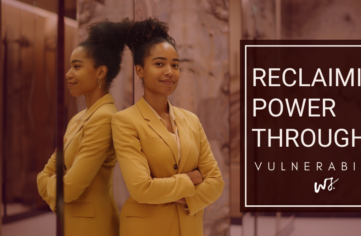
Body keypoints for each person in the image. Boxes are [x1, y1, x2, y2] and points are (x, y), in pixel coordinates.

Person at [111, 18, 225, 236]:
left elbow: (216, 182)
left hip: (190, 227)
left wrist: (182, 196)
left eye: (175, 65)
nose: (170, 72)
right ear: (139, 70)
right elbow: (141, 189)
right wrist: (191, 179)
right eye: (159, 64)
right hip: (146, 229)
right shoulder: (125, 121)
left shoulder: (191, 119)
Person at [36, 19, 129, 236]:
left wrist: (53, 188)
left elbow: (68, 188)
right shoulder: (78, 119)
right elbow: (44, 173)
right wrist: (56, 189)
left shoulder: (105, 118)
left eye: (77, 66)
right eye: (70, 66)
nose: (68, 74)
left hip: (94, 226)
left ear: (100, 72)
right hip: (73, 222)